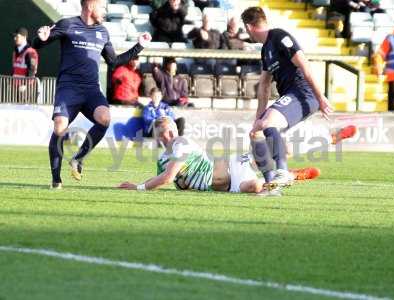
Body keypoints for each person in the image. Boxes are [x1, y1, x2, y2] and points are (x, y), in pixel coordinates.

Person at [32, 0, 152, 189]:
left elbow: (113, 61)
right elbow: (38, 44)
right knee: (59, 127)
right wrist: (41, 38)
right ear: (90, 6)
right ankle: (56, 180)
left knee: (104, 118)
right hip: (68, 88)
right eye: (102, 7)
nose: (105, 11)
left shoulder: (103, 31)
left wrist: (139, 46)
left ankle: (78, 159)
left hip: (91, 89)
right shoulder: (67, 24)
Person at [241, 7, 335, 196]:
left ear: (249, 26)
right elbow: (265, 85)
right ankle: (271, 187)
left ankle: (282, 171)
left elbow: (305, 65)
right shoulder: (266, 49)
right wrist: (258, 116)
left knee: (268, 123)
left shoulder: (279, 37)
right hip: (292, 95)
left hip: (303, 93)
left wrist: (320, 97)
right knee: (257, 132)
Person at [118, 117, 323, 194]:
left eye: (170, 131)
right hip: (226, 187)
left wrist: (138, 187)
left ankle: (326, 139)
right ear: (156, 138)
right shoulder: (163, 158)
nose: (167, 137)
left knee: (274, 151)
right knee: (258, 188)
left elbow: (168, 178)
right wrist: (139, 184)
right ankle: (294, 176)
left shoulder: (182, 143)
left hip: (233, 165)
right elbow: (159, 179)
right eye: (161, 134)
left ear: (175, 131)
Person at [373, 25, 394, 112]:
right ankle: (391, 120)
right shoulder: (391, 38)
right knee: (392, 104)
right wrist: (378, 67)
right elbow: (380, 55)